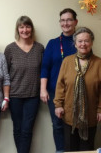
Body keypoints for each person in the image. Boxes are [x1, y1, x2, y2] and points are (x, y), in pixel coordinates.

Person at [54, 27, 101, 151]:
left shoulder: (99, 63)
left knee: (87, 149)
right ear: (75, 44)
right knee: (70, 148)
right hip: (69, 115)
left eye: (86, 41)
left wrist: (100, 109)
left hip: (90, 116)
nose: (83, 44)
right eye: (80, 41)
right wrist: (58, 104)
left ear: (91, 42)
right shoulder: (67, 61)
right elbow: (60, 85)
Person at [40, 8, 78, 153]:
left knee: (76, 124)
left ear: (75, 22)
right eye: (63, 20)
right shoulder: (53, 43)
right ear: (60, 22)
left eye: (69, 20)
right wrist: (43, 89)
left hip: (76, 91)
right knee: (57, 124)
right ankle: (60, 151)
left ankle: (74, 151)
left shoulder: (81, 42)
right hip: (55, 92)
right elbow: (45, 67)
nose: (66, 23)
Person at [4, 16, 44, 153]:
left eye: (27, 27)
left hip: (33, 96)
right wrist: (6, 97)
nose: (25, 30)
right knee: (18, 129)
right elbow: (5, 75)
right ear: (17, 29)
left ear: (31, 29)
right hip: (15, 96)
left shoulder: (39, 48)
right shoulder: (10, 49)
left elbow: (43, 71)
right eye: (21, 27)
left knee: (27, 130)